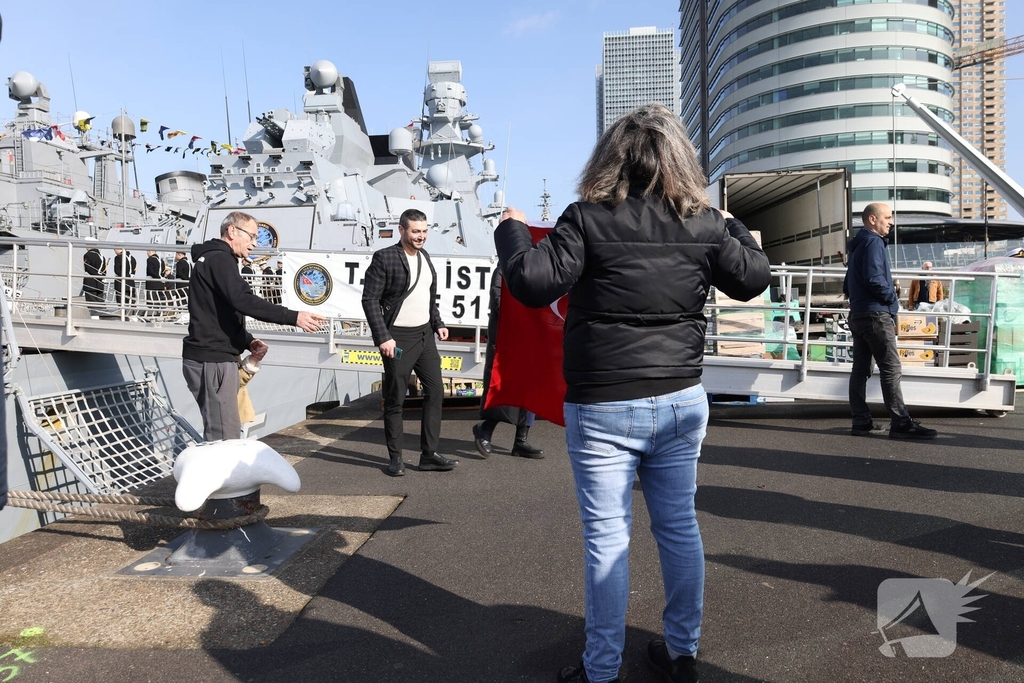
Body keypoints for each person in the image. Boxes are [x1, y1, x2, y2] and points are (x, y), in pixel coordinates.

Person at [495, 104, 771, 683]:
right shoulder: (705, 224)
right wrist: (731, 222)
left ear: (610, 158)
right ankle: (681, 653)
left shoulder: (587, 218)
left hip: (602, 402)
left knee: (607, 537)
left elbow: (530, 281)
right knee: (678, 526)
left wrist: (512, 229)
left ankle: (601, 670)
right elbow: (752, 278)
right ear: (679, 159)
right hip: (679, 397)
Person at [182, 211, 326, 441]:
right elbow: (243, 300)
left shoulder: (211, 258)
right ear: (232, 231)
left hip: (209, 356)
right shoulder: (220, 259)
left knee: (221, 432)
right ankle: (224, 478)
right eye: (252, 236)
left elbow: (218, 312)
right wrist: (294, 317)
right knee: (224, 437)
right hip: (214, 360)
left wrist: (246, 341)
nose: (255, 243)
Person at [361, 208, 459, 477]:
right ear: (402, 230)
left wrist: (438, 323)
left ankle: (429, 455)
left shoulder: (425, 257)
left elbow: (429, 297)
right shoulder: (385, 257)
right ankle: (396, 458)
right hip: (398, 338)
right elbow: (369, 300)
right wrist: (383, 337)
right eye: (416, 231)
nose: (421, 236)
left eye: (425, 231)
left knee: (436, 391)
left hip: (425, 335)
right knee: (395, 400)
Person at [844, 203, 938, 440]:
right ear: (873, 219)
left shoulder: (857, 245)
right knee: (891, 368)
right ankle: (901, 423)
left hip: (858, 314)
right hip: (876, 315)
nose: (892, 221)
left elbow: (847, 285)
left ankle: (861, 422)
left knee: (860, 371)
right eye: (887, 217)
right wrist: (892, 301)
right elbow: (875, 279)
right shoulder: (874, 242)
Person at [472, 270, 544, 459]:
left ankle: (521, 441)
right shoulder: (505, 268)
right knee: (502, 388)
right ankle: (484, 428)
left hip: (533, 337)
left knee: (530, 391)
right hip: (508, 337)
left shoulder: (541, 269)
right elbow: (499, 300)